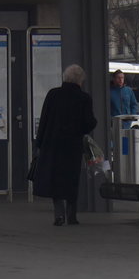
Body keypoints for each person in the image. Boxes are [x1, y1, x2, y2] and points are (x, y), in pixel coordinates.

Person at [33, 64, 98, 226]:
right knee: (71, 179)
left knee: (55, 178)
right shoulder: (84, 98)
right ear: (80, 81)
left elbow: (44, 120)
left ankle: (58, 214)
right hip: (72, 146)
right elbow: (89, 123)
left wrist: (39, 143)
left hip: (52, 144)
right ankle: (72, 215)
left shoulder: (53, 95)